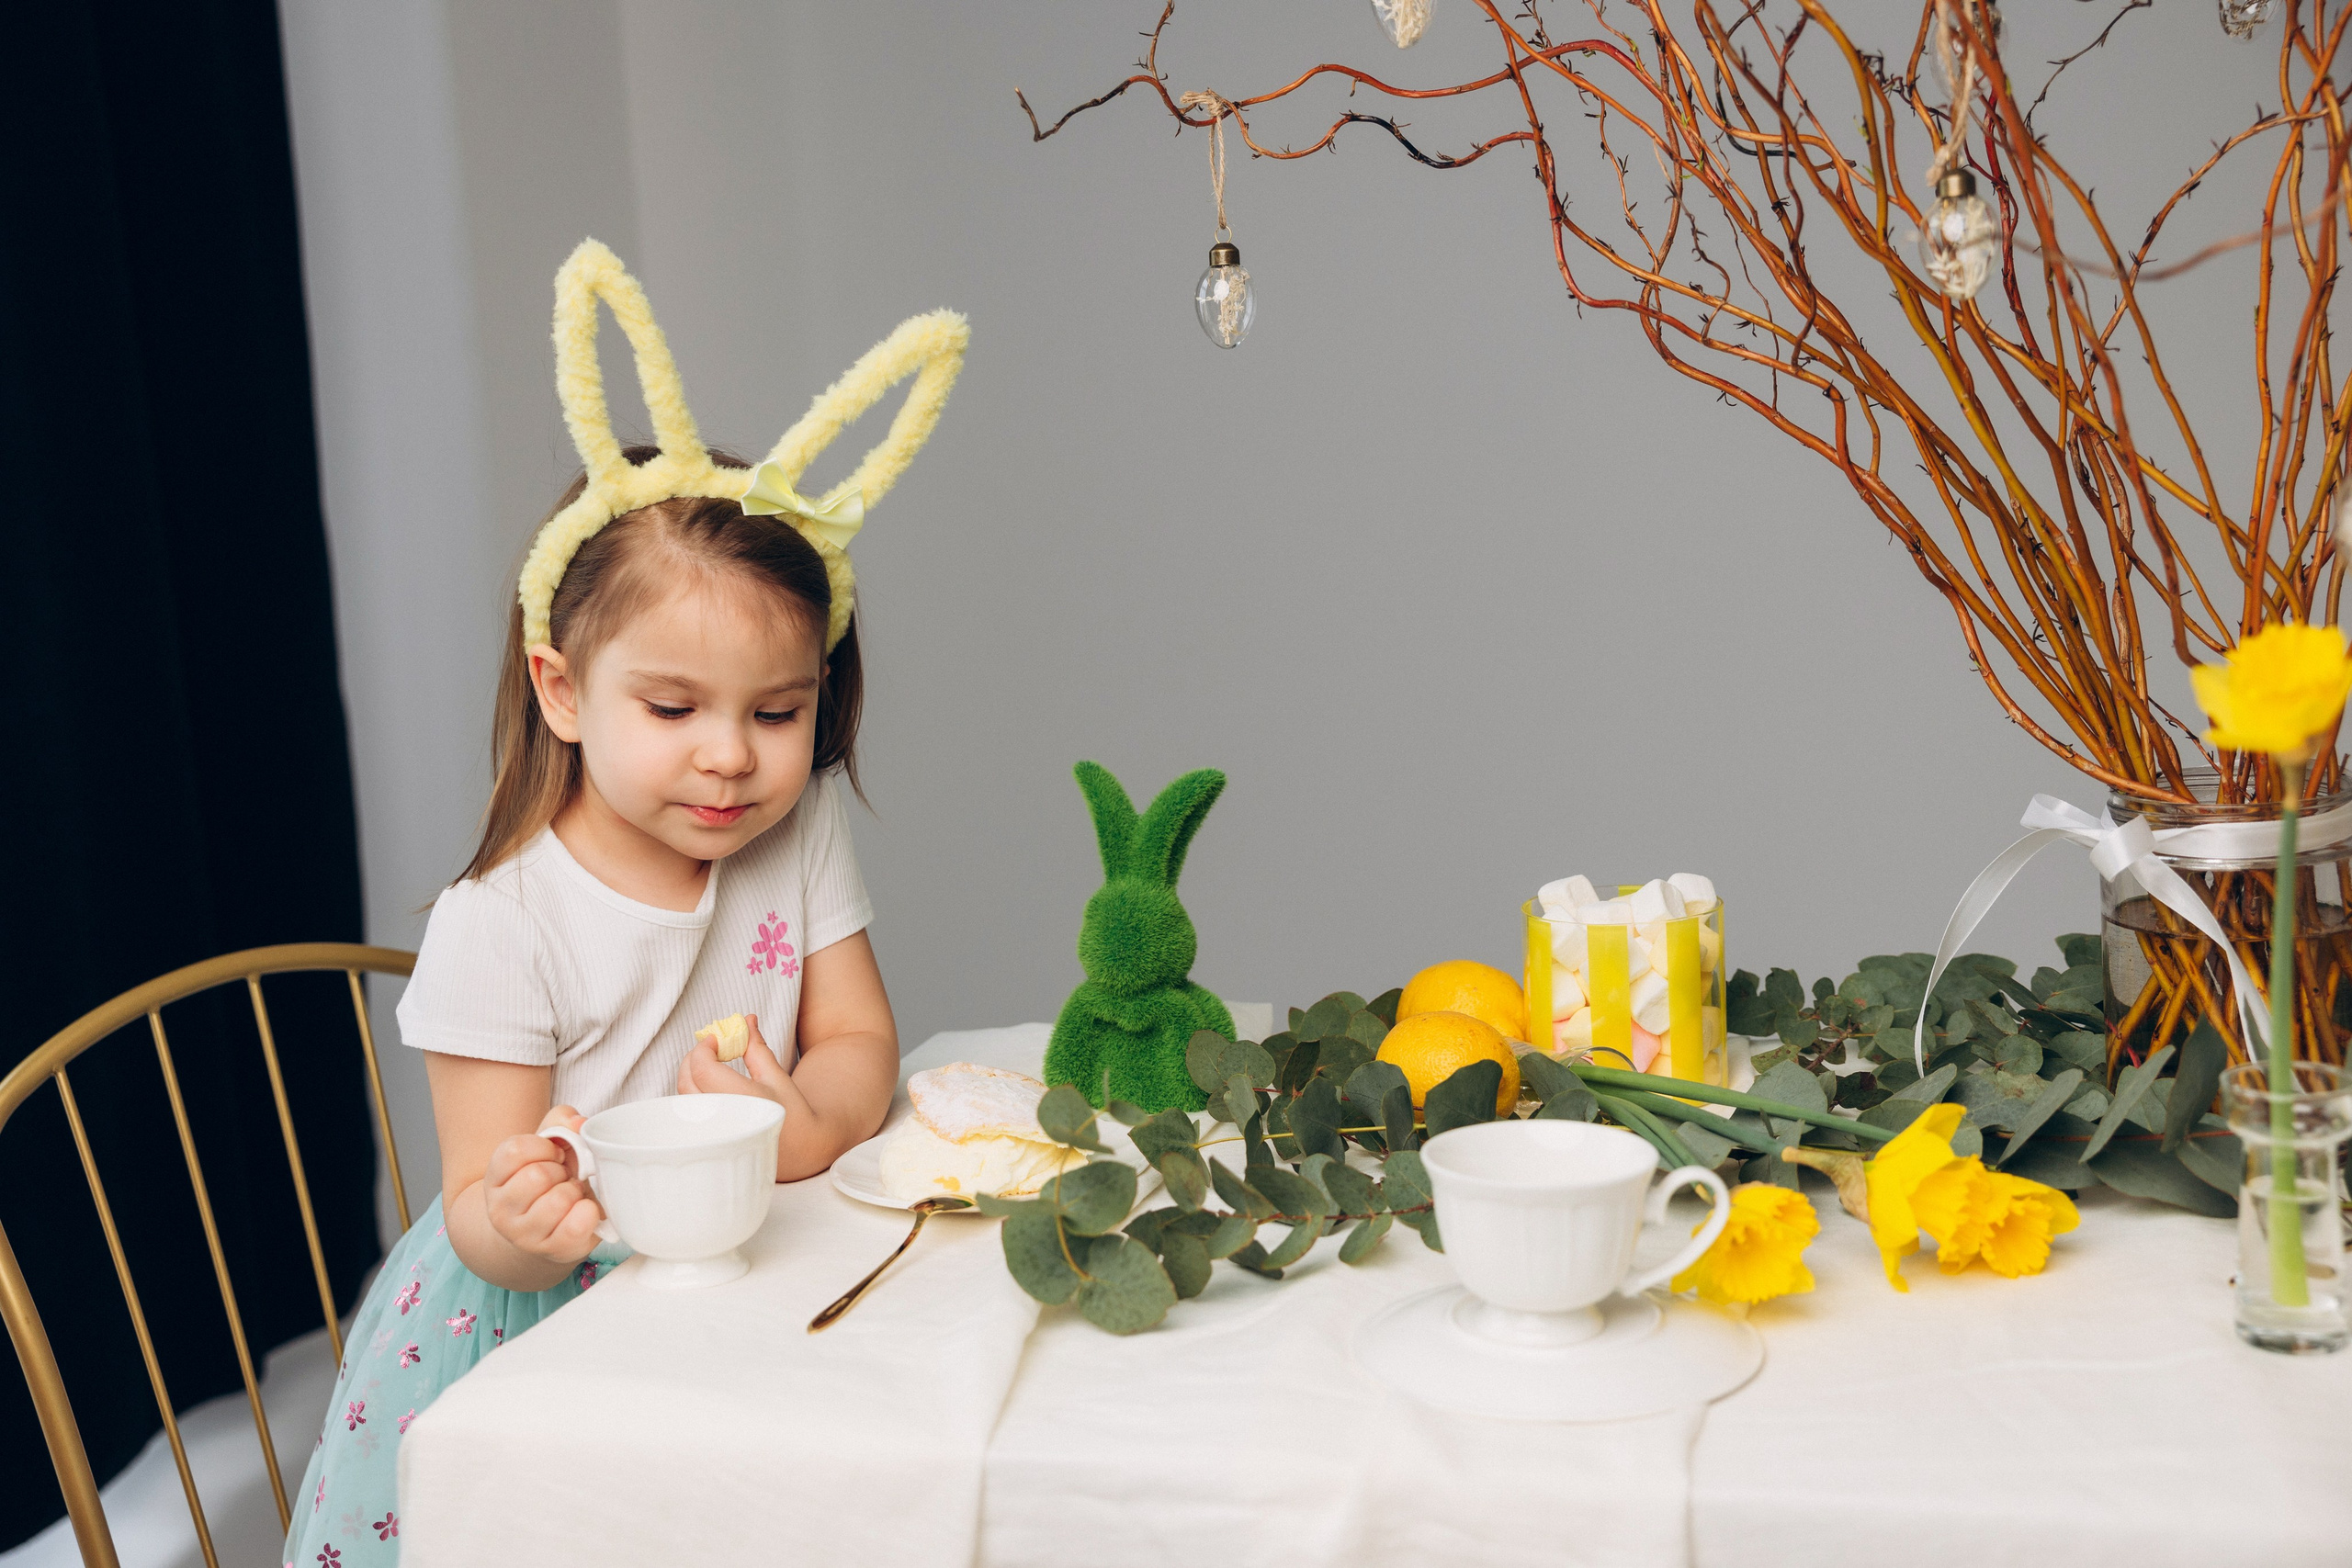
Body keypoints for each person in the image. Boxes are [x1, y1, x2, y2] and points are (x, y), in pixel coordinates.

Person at [285, 240, 967, 1566]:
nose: (731, 756)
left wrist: (809, 1119)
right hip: (554, 1319)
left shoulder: (800, 827)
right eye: (672, 709)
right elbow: (487, 1212)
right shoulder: (503, 922)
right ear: (562, 692)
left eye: (777, 711)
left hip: (744, 1277)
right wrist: (530, 1223)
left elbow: (860, 1044)